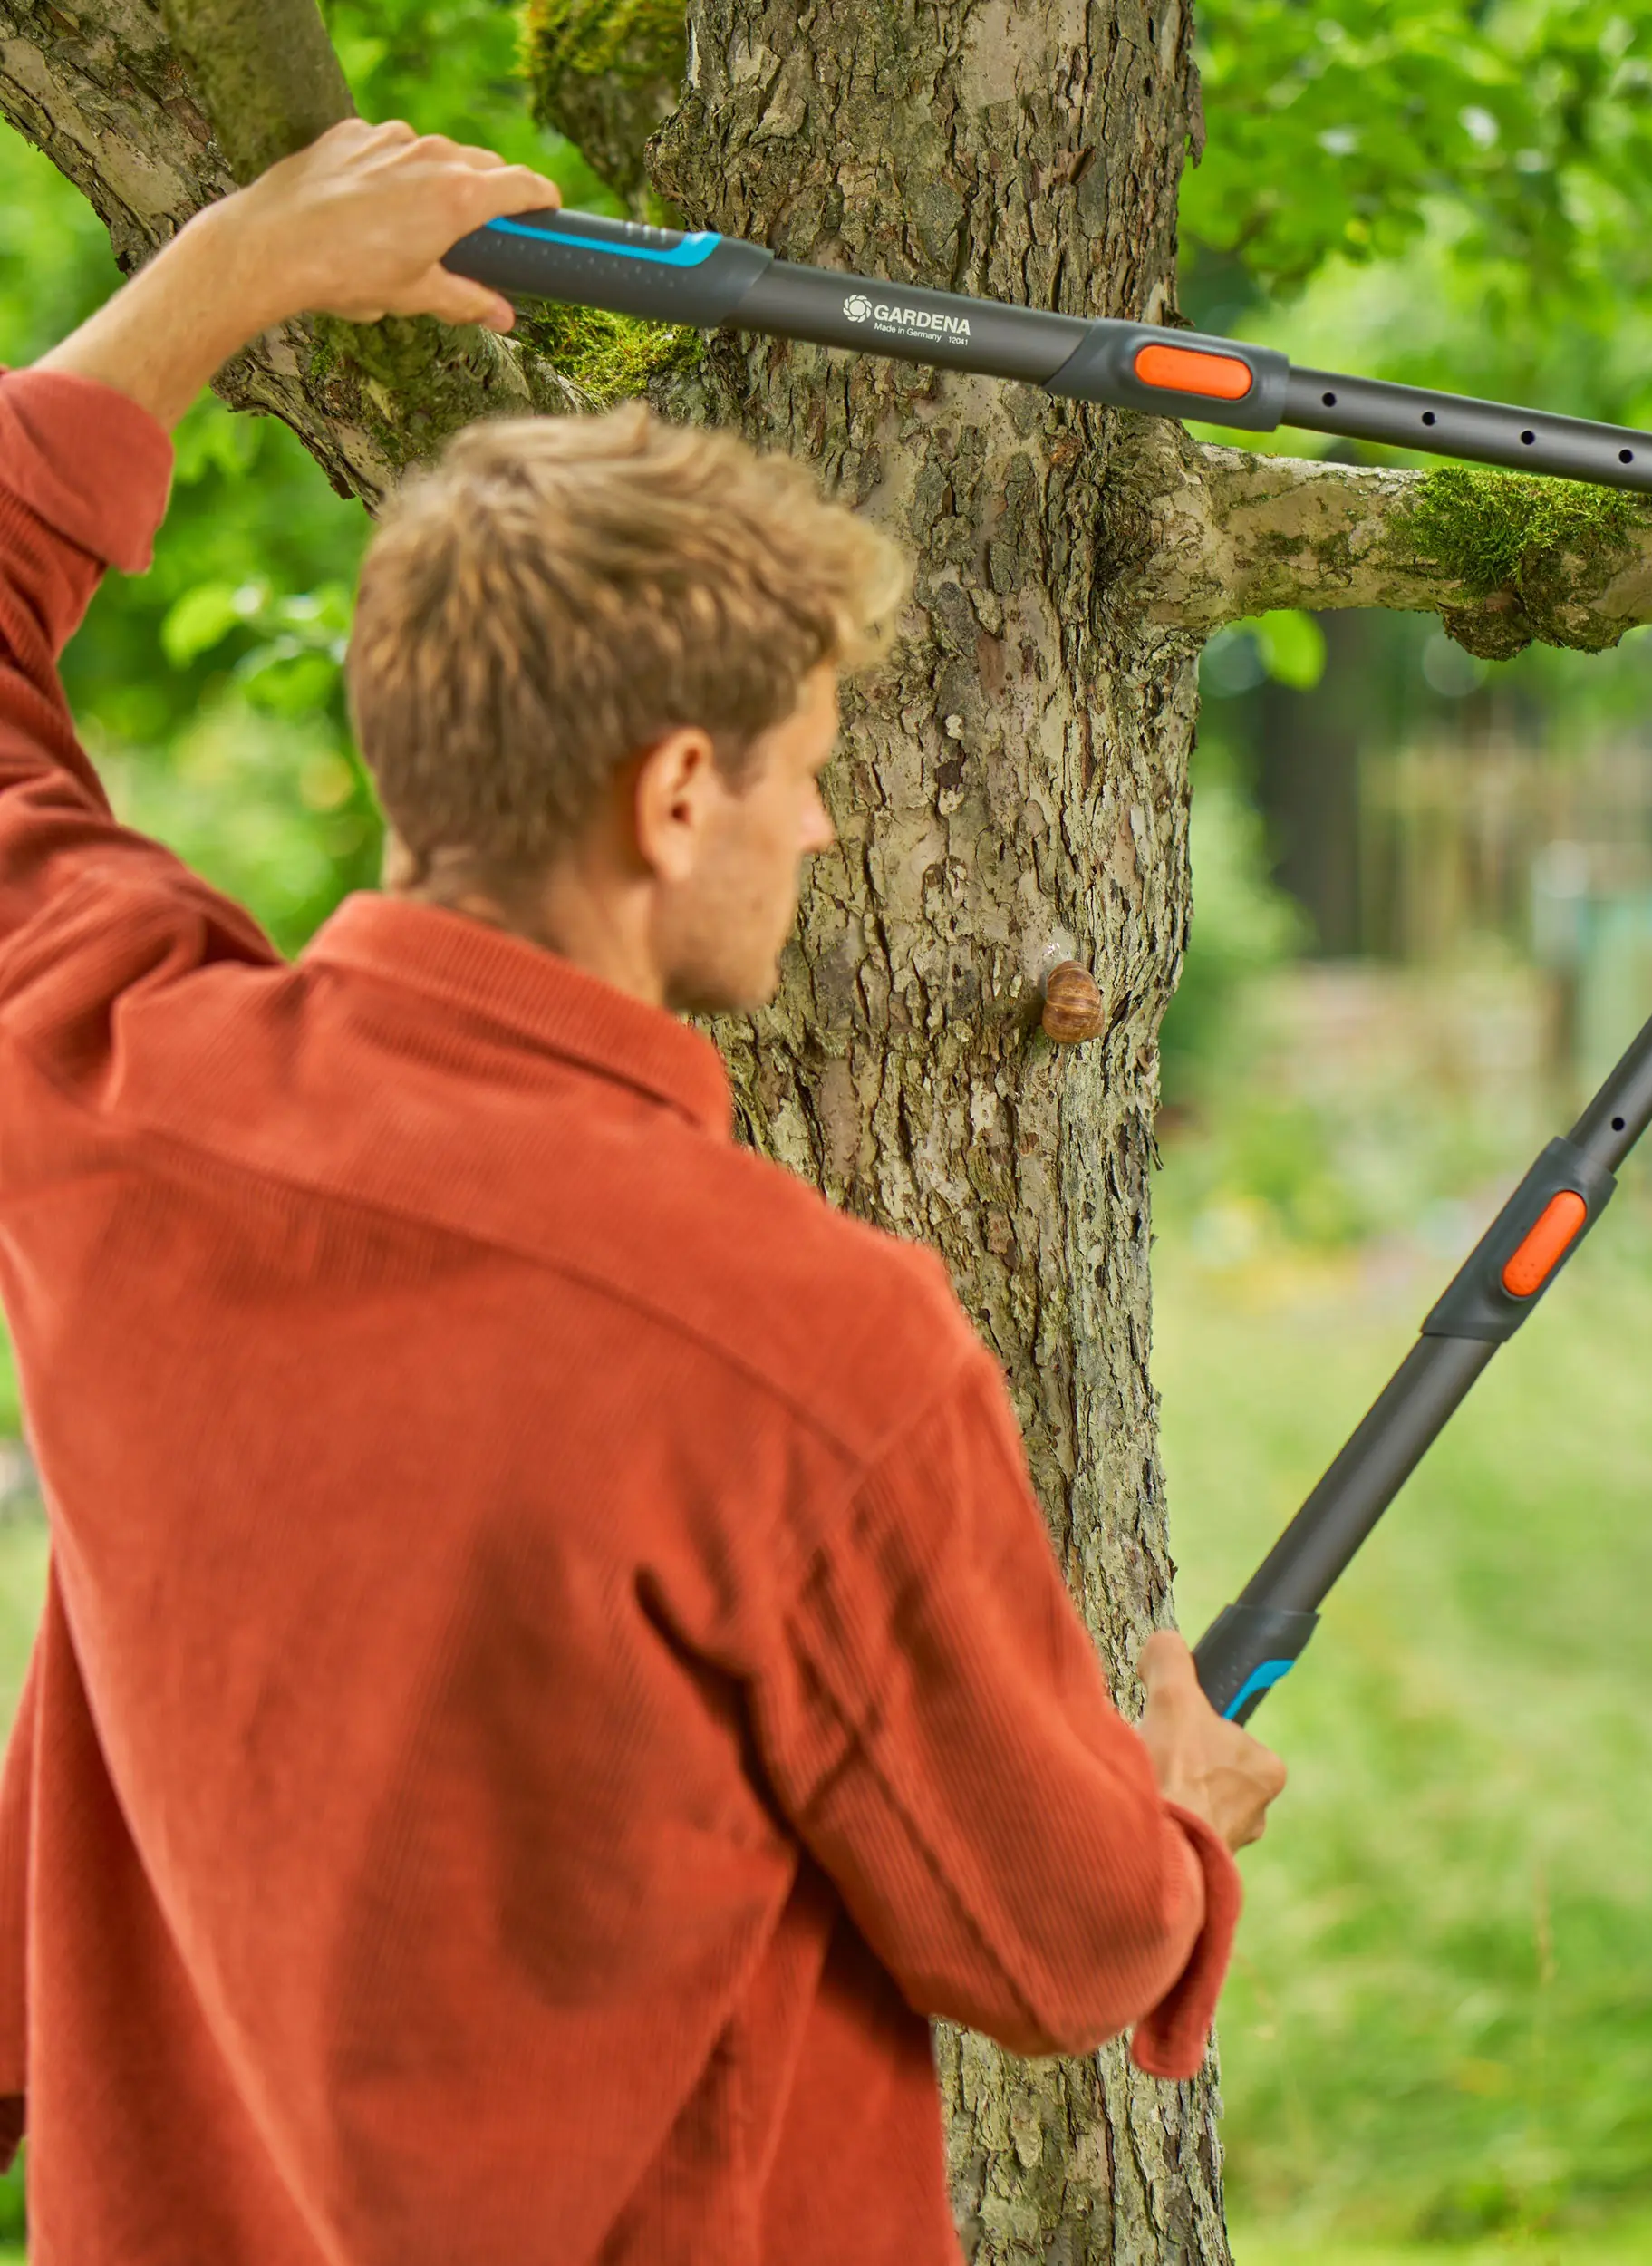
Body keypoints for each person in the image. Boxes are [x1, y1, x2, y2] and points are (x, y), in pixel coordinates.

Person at [0, 118, 1286, 2261]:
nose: (817, 833)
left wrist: (235, 263)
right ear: (677, 790)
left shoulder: (118, 1084)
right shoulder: (813, 1346)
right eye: (806, 770)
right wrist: (1176, 1825)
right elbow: (1052, 1944)